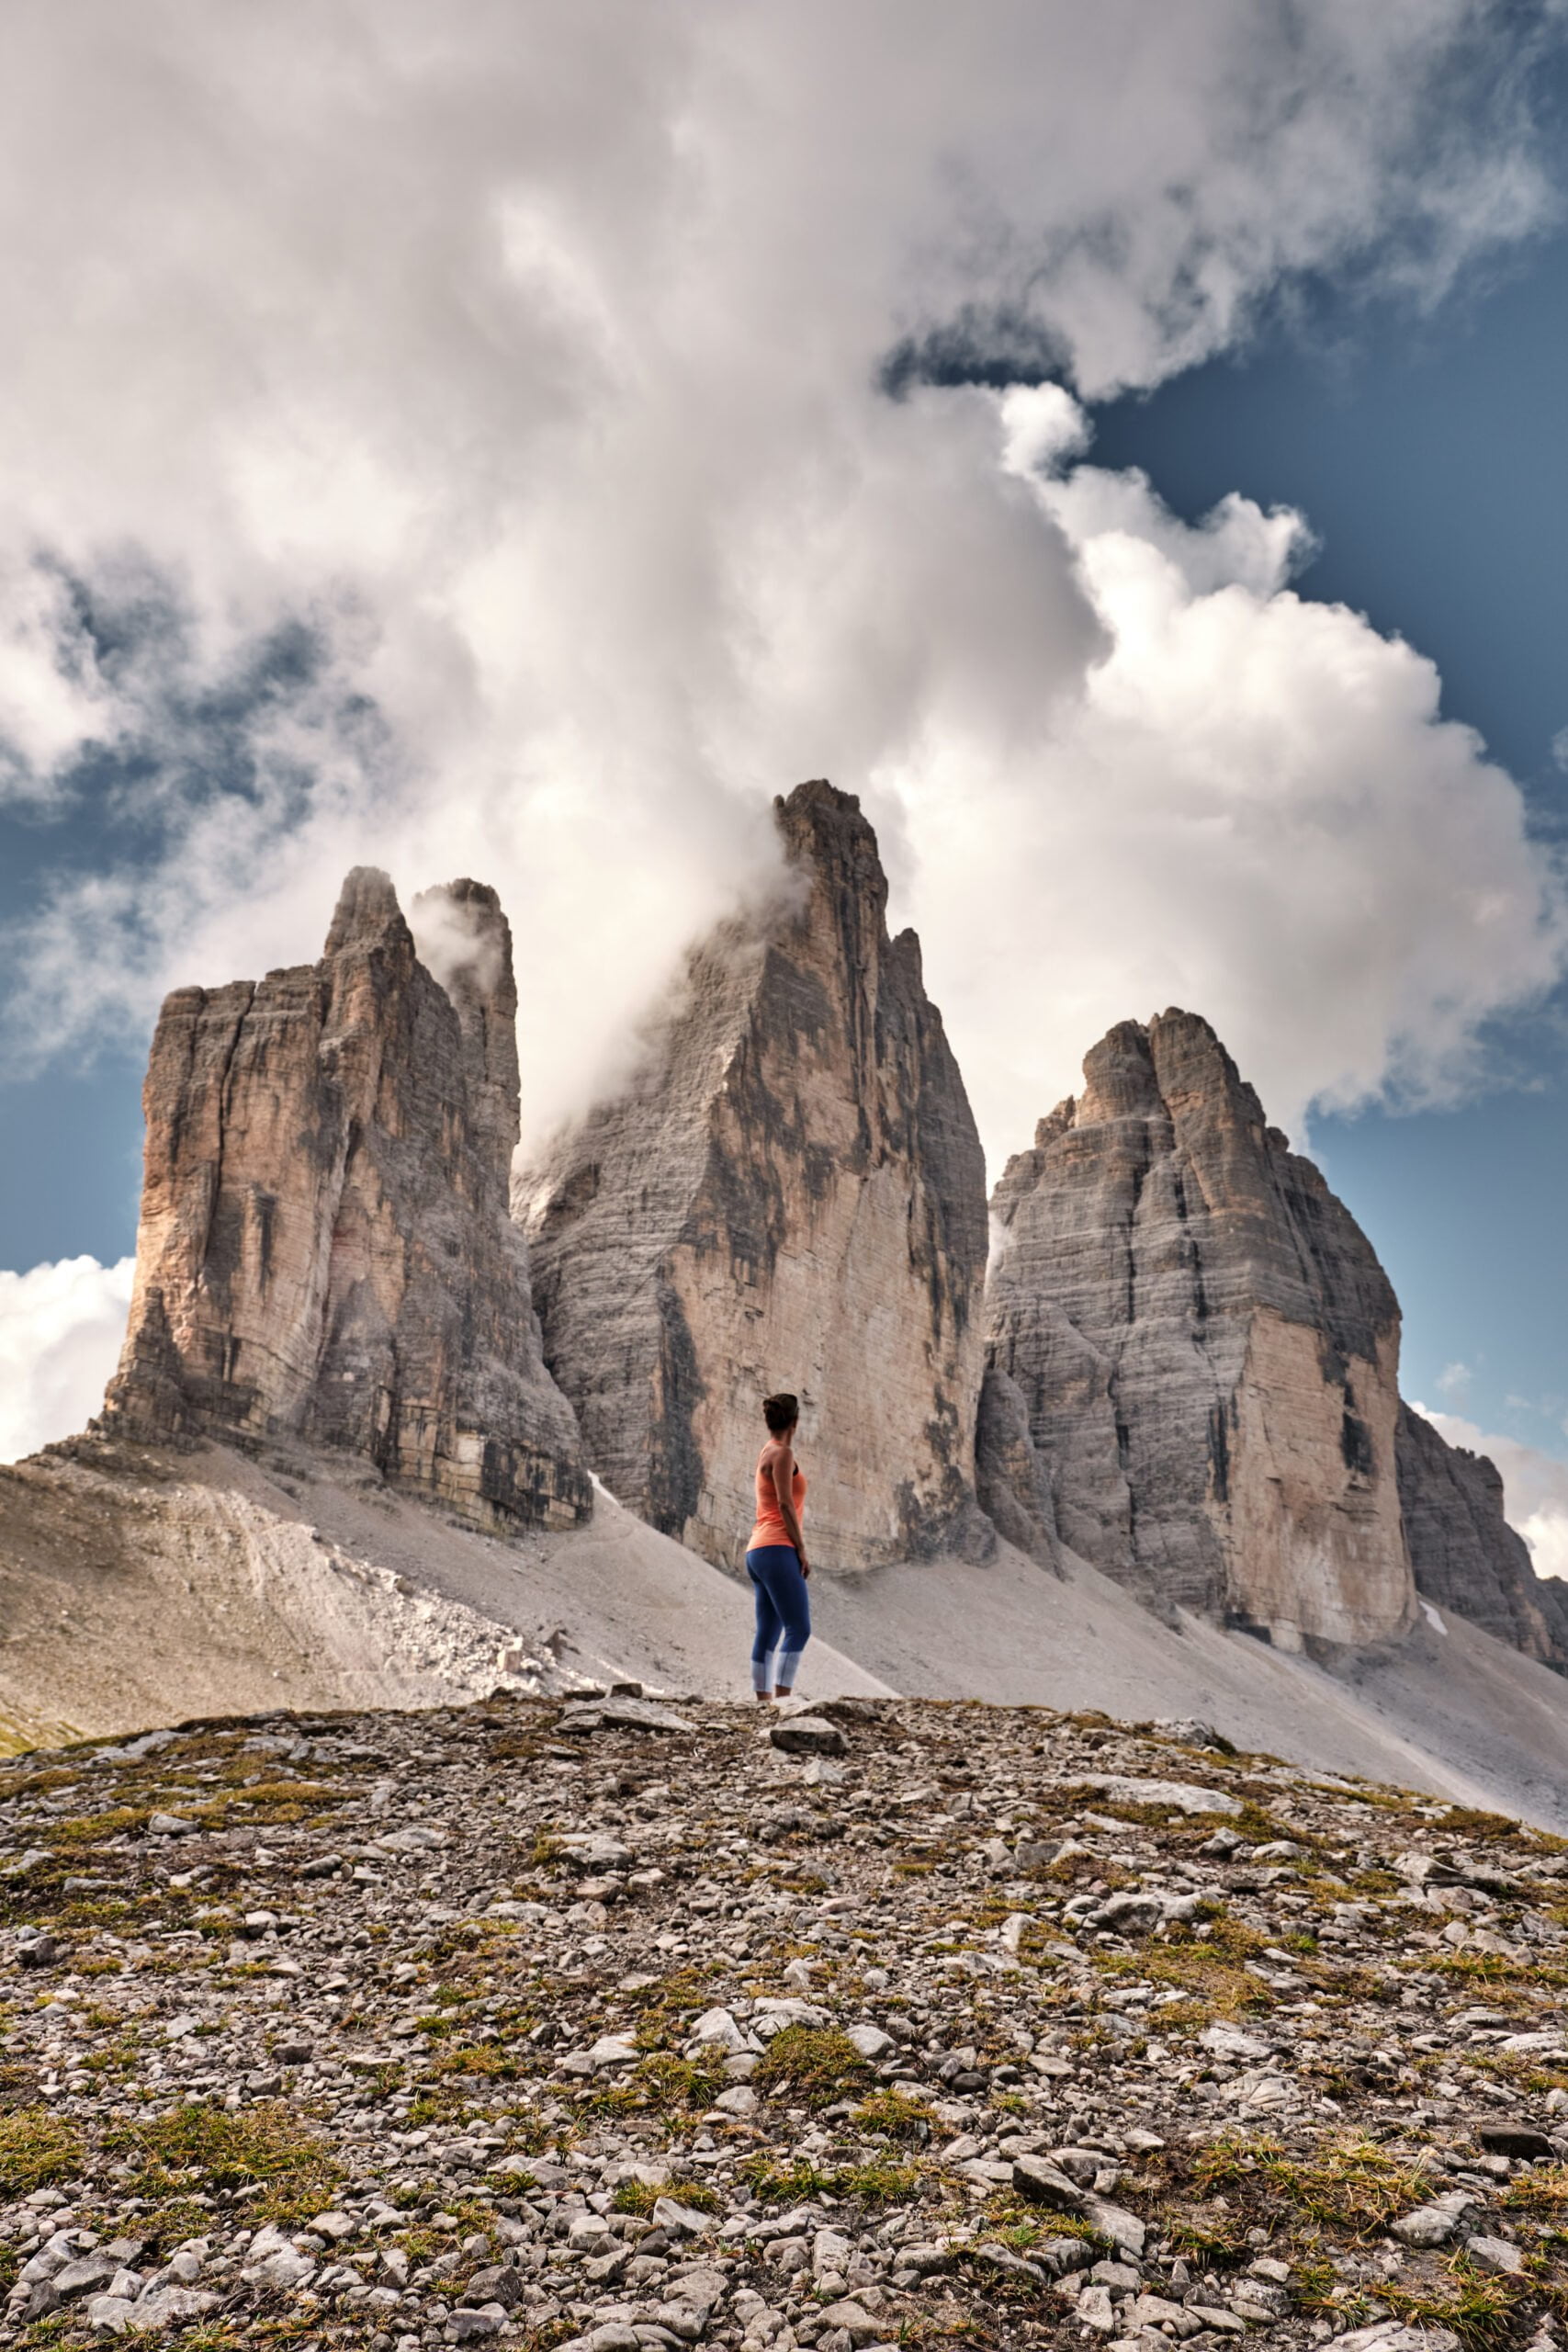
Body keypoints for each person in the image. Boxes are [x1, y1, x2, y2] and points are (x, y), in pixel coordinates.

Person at [745, 1390, 811, 1701]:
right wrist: (801, 1548)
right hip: (777, 1547)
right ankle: (784, 1705)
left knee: (768, 1633)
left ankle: (763, 1705)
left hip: (758, 1550)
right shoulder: (783, 1454)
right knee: (799, 1628)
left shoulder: (766, 1450)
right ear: (795, 1421)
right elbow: (785, 1504)